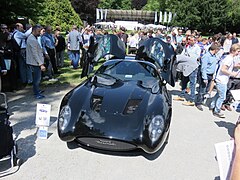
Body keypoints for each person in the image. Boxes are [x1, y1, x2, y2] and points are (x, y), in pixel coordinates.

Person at [210, 44, 240, 118]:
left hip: (222, 79)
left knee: (218, 94)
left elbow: (228, 66)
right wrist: (232, 73)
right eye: (238, 51)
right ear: (233, 51)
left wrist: (236, 66)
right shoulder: (229, 59)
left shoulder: (229, 58)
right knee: (222, 97)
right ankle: (216, 110)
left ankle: (212, 105)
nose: (238, 53)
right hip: (222, 80)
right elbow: (223, 69)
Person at [195, 43, 220, 111]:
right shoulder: (206, 56)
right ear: (215, 49)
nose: (218, 51)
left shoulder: (214, 56)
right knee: (202, 90)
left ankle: (202, 99)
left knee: (206, 90)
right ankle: (198, 103)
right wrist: (204, 78)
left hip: (210, 75)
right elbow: (203, 68)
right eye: (218, 49)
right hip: (205, 75)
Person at [26, 25, 46, 99]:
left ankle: (37, 90)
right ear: (34, 31)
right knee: (37, 79)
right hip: (35, 62)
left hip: (34, 62)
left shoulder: (33, 38)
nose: (39, 33)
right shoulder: (32, 39)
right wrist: (41, 64)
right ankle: (36, 93)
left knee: (37, 78)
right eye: (38, 31)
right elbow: (35, 53)